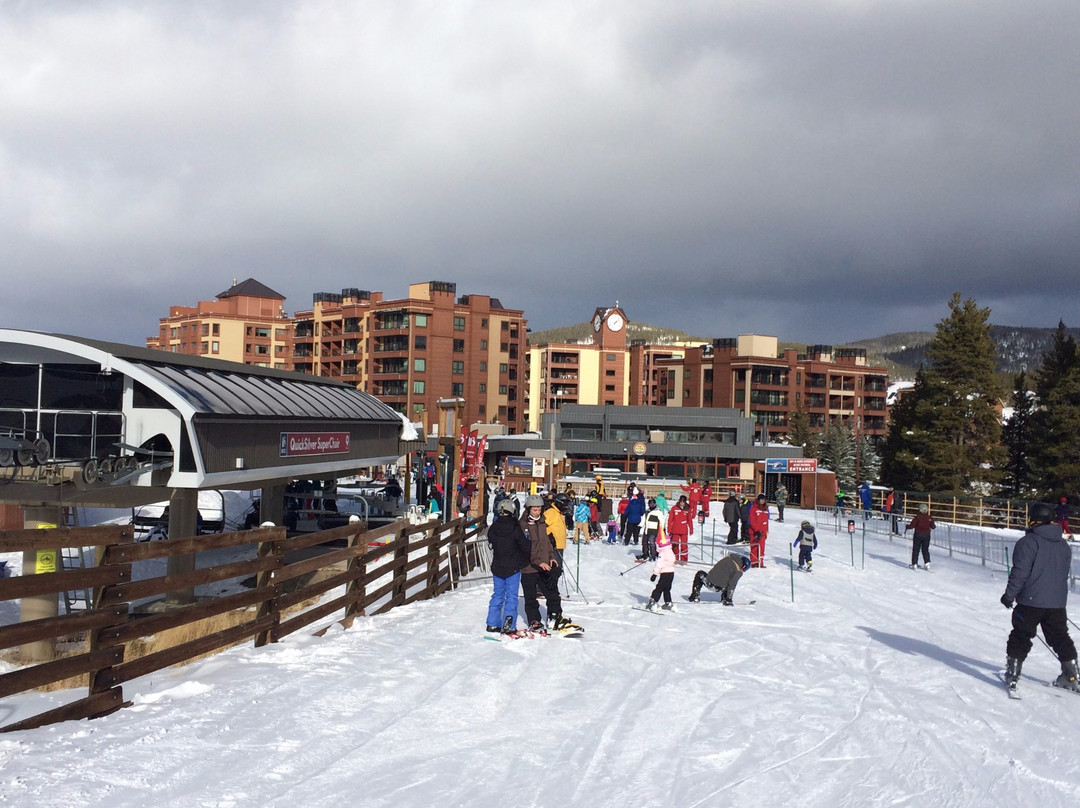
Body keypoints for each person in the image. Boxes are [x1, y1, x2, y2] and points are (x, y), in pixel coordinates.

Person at [1000, 502, 1080, 692]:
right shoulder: (1063, 544)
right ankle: (1071, 674)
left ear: (1034, 520)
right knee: (1060, 636)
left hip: (1031, 601)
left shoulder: (1028, 542)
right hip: (1056, 602)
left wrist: (1009, 595)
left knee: (1021, 634)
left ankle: (1013, 673)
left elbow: (1020, 573)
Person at [486, 498, 532, 634]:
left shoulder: (494, 527)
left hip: (498, 566)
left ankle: (492, 623)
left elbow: (491, 540)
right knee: (511, 596)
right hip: (513, 566)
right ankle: (509, 623)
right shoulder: (515, 527)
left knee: (498, 595)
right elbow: (524, 546)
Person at [519, 494, 562, 631]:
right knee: (531, 597)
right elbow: (526, 548)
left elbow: (546, 543)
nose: (537, 512)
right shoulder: (523, 525)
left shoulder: (542, 522)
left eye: (539, 509)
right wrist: (538, 561)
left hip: (544, 565)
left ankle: (554, 616)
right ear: (528, 509)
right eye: (534, 510)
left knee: (553, 593)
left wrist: (551, 556)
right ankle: (534, 620)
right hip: (529, 567)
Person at [645, 527, 676, 611]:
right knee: (667, 588)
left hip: (665, 573)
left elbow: (659, 564)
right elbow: (673, 560)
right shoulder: (670, 550)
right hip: (671, 573)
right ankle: (668, 602)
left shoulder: (662, 553)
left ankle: (653, 601)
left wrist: (654, 574)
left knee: (659, 587)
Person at [904, 503, 936, 570]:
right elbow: (933, 526)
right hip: (927, 535)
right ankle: (927, 563)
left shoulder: (917, 517)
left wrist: (907, 526)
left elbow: (912, 525)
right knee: (925, 549)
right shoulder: (929, 517)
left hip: (918, 534)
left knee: (916, 549)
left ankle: (914, 563)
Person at [667, 495, 695, 564]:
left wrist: (691, 529)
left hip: (684, 531)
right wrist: (669, 529)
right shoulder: (674, 508)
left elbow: (689, 520)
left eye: (683, 502)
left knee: (684, 545)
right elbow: (670, 519)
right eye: (681, 501)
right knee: (675, 545)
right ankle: (675, 558)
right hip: (675, 530)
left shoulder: (687, 509)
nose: (682, 503)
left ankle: (684, 560)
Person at [748, 493, 770, 568]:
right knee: (754, 547)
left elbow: (766, 521)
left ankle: (760, 563)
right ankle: (754, 563)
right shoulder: (753, 509)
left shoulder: (765, 509)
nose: (763, 501)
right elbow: (752, 520)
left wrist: (766, 531)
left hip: (763, 533)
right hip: (755, 532)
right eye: (761, 500)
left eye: (764, 500)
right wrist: (756, 530)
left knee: (762, 548)